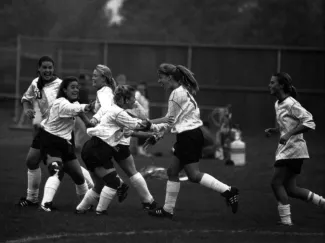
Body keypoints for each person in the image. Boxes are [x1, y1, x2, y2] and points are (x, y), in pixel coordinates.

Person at [147, 63, 239, 219]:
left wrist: (148, 124)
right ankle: (167, 210)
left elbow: (169, 120)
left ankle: (229, 191)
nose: (159, 81)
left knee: (194, 175)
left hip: (189, 136)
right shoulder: (182, 91)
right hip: (190, 135)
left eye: (161, 77)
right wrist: (157, 135)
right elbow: (173, 121)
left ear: (169, 77)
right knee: (173, 172)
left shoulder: (176, 94)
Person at [76, 85, 170, 214]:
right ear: (123, 100)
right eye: (132, 98)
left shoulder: (117, 111)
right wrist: (159, 127)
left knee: (99, 185)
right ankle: (100, 212)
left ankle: (80, 209)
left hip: (93, 149)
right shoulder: (118, 112)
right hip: (97, 150)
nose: (134, 102)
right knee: (114, 183)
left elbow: (130, 130)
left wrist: (154, 130)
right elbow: (137, 124)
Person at [17, 57, 93, 208]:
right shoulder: (35, 84)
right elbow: (26, 99)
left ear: (54, 69)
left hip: (62, 133)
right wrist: (28, 110)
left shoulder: (60, 85)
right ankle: (32, 198)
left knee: (69, 169)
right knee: (32, 162)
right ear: (38, 69)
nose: (47, 71)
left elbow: (75, 106)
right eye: (44, 68)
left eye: (50, 68)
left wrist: (87, 122)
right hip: (46, 130)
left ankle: (93, 189)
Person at [265, 72, 324, 226]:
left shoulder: (291, 103)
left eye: (272, 83)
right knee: (291, 189)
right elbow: (287, 124)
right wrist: (275, 130)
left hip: (293, 150)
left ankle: (286, 222)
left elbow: (309, 122)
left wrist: (289, 134)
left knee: (276, 183)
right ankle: (322, 202)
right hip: (288, 149)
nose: (269, 85)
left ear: (281, 85)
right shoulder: (278, 103)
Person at [38, 76, 93, 212]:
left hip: (66, 144)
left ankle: (84, 205)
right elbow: (74, 109)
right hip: (51, 142)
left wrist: (95, 123)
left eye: (77, 87)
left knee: (79, 177)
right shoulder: (60, 103)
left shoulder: (73, 104)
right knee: (57, 171)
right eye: (72, 87)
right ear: (64, 90)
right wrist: (90, 106)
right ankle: (45, 204)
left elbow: (86, 120)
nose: (76, 89)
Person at [135, 82, 152, 157]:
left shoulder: (145, 96)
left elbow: (147, 108)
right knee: (141, 133)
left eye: (143, 86)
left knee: (145, 134)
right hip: (140, 118)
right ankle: (139, 150)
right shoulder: (137, 94)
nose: (141, 87)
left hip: (146, 118)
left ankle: (142, 150)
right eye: (140, 86)